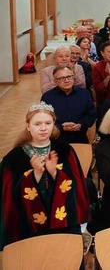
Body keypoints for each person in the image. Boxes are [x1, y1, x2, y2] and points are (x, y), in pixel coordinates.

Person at [0, 102, 90, 249]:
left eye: (48, 123)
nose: (43, 128)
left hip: (63, 222)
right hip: (29, 226)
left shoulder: (65, 151)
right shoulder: (14, 158)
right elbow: (10, 200)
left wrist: (55, 173)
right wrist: (35, 176)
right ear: (28, 126)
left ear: (53, 124)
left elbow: (77, 188)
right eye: (37, 124)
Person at [40, 65, 96, 144]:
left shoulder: (84, 93)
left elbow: (91, 114)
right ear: (55, 81)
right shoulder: (47, 97)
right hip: (56, 139)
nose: (66, 80)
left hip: (80, 138)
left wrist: (80, 124)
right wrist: (61, 127)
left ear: (74, 78)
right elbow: (44, 119)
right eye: (62, 78)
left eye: (69, 77)